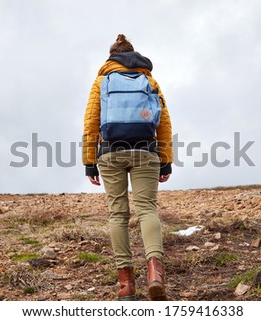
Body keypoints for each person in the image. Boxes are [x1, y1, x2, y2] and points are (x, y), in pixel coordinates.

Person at [82, 34, 173, 301]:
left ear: (112, 56)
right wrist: (165, 157)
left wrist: (89, 162)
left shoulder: (102, 80)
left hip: (111, 151)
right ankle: (155, 275)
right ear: (134, 55)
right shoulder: (149, 80)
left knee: (118, 214)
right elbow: (164, 121)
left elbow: (91, 121)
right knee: (147, 210)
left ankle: (126, 287)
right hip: (146, 149)